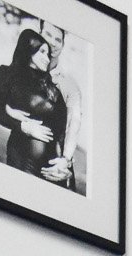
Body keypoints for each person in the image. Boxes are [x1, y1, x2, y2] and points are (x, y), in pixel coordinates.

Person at [0, 29, 68, 181]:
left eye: (48, 54)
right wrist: (24, 127)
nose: (47, 58)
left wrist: (64, 162)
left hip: (53, 169)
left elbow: (61, 130)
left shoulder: (51, 88)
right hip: (23, 162)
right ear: (30, 49)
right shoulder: (6, 74)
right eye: (42, 52)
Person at [40, 22, 83, 190]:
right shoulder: (24, 70)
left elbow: (74, 122)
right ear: (39, 32)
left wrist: (65, 160)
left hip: (57, 160)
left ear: (63, 45)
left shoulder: (69, 84)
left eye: (58, 39)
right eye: (48, 35)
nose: (52, 42)